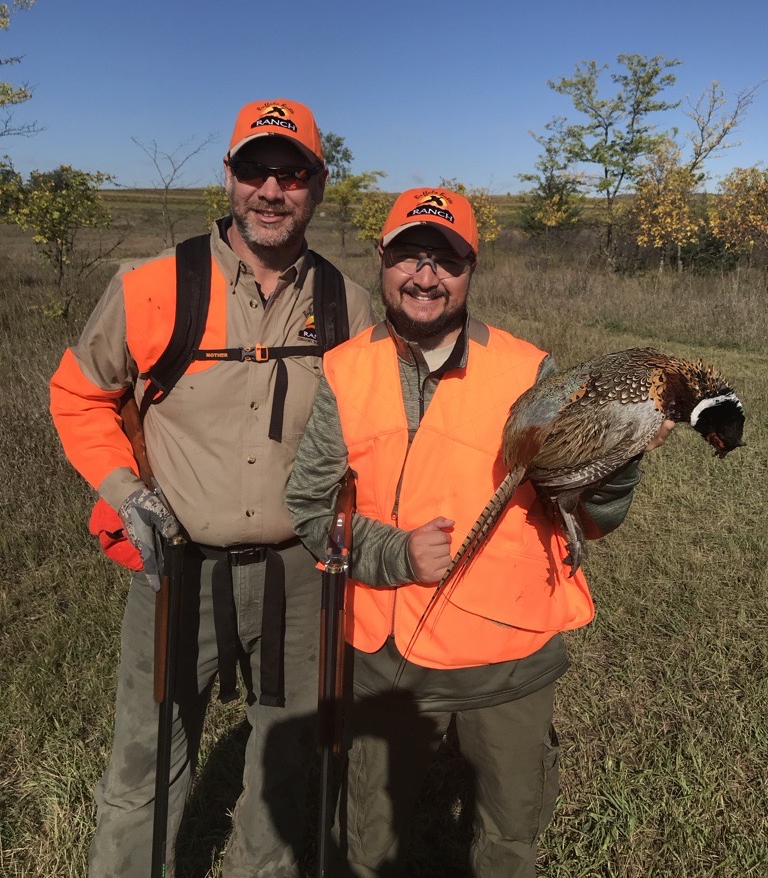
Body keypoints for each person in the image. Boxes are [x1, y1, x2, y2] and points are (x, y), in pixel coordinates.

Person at [286, 187, 669, 878]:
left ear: (471, 270)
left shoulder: (530, 372)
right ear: (383, 258)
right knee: (368, 845)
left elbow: (590, 516)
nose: (426, 277)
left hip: (510, 660)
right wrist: (392, 552)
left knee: (507, 841)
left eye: (447, 260)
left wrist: (618, 463)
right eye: (410, 256)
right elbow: (311, 506)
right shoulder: (346, 371)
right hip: (388, 658)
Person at [49, 99, 374, 878]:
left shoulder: (350, 306)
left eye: (291, 171)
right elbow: (79, 394)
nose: (272, 188)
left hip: (301, 577)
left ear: (318, 185)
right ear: (227, 178)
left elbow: (379, 438)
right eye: (255, 169)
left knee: (288, 771)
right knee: (144, 767)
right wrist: (128, 493)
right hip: (176, 567)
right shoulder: (152, 286)